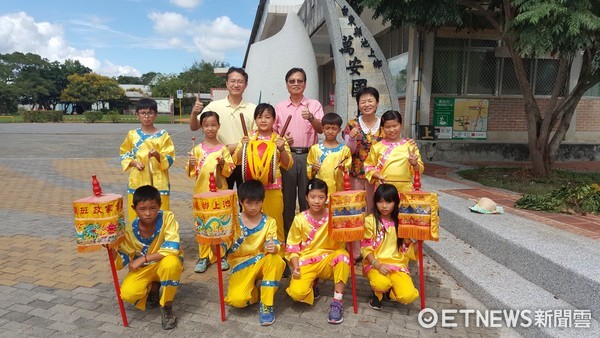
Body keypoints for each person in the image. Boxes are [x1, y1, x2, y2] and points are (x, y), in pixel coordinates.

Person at [111, 185, 184, 330]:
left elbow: (173, 248)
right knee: (128, 293)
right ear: (134, 209)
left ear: (159, 206)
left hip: (164, 263)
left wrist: (143, 258)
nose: (148, 213)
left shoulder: (167, 217)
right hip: (145, 269)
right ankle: (154, 286)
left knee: (172, 263)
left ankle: (167, 306)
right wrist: (110, 249)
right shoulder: (130, 230)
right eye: (142, 209)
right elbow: (121, 261)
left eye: (153, 208)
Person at [285, 178, 350, 325]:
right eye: (313, 197)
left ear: (326, 198)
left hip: (328, 260)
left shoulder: (334, 216)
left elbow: (343, 239)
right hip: (307, 261)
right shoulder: (299, 219)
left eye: (321, 197)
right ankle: (312, 285)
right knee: (297, 294)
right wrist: (295, 267)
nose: (317, 201)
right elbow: (292, 246)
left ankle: (337, 301)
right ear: (306, 197)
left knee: (343, 257)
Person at [224, 180, 286, 326]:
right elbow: (223, 248)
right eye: (249, 203)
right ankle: (255, 292)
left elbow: (274, 242)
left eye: (257, 203)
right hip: (241, 265)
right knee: (237, 301)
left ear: (262, 201)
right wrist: (216, 241)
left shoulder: (269, 221)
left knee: (276, 260)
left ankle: (266, 305)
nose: (253, 207)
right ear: (240, 202)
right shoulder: (233, 222)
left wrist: (274, 248)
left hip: (262, 262)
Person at [274, 68, 324, 238]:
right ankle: (289, 236)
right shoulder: (279, 107)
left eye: (299, 81)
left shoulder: (314, 105)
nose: (296, 84)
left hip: (309, 156)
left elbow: (321, 129)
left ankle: (307, 235)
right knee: (287, 199)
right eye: (292, 81)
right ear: (287, 85)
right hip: (287, 157)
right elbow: (273, 134)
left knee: (307, 197)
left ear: (305, 84)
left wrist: (311, 117)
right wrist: (281, 141)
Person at [233, 103, 293, 243]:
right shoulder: (249, 137)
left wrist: (282, 149)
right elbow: (236, 160)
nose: (263, 120)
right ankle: (252, 252)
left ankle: (278, 255)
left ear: (274, 120)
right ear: (255, 120)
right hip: (251, 191)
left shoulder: (279, 139)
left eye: (268, 117)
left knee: (275, 222)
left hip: (273, 189)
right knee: (250, 222)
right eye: (260, 117)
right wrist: (243, 146)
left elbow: (288, 164)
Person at [190, 67, 256, 190]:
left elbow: (256, 137)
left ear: (246, 85)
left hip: (245, 162)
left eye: (240, 82)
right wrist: (194, 113)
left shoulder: (253, 108)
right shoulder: (214, 106)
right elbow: (194, 127)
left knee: (247, 201)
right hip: (220, 162)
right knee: (222, 200)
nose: (236, 85)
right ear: (226, 83)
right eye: (232, 81)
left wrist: (235, 146)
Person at [186, 110, 236, 273]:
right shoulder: (197, 149)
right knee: (203, 224)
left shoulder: (223, 149)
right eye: (206, 125)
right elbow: (191, 173)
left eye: (213, 125)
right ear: (201, 127)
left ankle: (221, 254)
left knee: (219, 222)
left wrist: (222, 163)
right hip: (202, 192)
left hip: (219, 193)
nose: (210, 128)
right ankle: (204, 256)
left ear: (219, 126)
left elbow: (229, 170)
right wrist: (192, 163)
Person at [360, 184, 419, 310]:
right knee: (381, 284)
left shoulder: (401, 223)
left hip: (397, 265)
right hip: (376, 264)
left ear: (396, 203)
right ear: (375, 202)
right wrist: (378, 265)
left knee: (408, 296)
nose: (384, 206)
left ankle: (391, 291)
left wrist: (421, 239)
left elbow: (407, 249)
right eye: (380, 201)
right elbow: (365, 248)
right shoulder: (370, 221)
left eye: (389, 201)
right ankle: (378, 293)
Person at [342, 87, 383, 262]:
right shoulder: (352, 124)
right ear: (358, 104)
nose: (366, 104)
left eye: (370, 101)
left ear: (377, 103)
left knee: (376, 211)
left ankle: (375, 247)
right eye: (363, 101)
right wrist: (351, 138)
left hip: (378, 176)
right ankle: (356, 250)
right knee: (356, 211)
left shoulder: (384, 123)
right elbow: (347, 151)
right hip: (356, 175)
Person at [120, 98, 175, 224]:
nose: (146, 116)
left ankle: (160, 240)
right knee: (137, 212)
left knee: (160, 212)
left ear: (155, 115)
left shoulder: (163, 135)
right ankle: (137, 241)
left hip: (158, 180)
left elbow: (170, 157)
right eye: (143, 113)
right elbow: (124, 153)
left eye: (150, 113)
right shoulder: (132, 135)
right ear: (137, 115)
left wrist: (157, 155)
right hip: (138, 180)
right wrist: (134, 163)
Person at [363, 110, 424, 193]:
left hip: (406, 191)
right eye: (387, 127)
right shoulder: (376, 147)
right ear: (382, 128)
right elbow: (368, 167)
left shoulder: (410, 146)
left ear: (401, 125)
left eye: (395, 126)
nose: (392, 130)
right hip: (384, 190)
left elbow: (419, 170)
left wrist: (414, 164)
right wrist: (378, 176)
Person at [306, 113, 352, 196]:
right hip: (320, 189)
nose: (330, 131)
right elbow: (308, 167)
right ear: (322, 128)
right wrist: (313, 168)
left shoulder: (345, 150)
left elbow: (347, 170)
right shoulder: (315, 149)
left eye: (334, 128)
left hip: (337, 190)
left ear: (339, 130)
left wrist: (343, 168)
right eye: (327, 128)